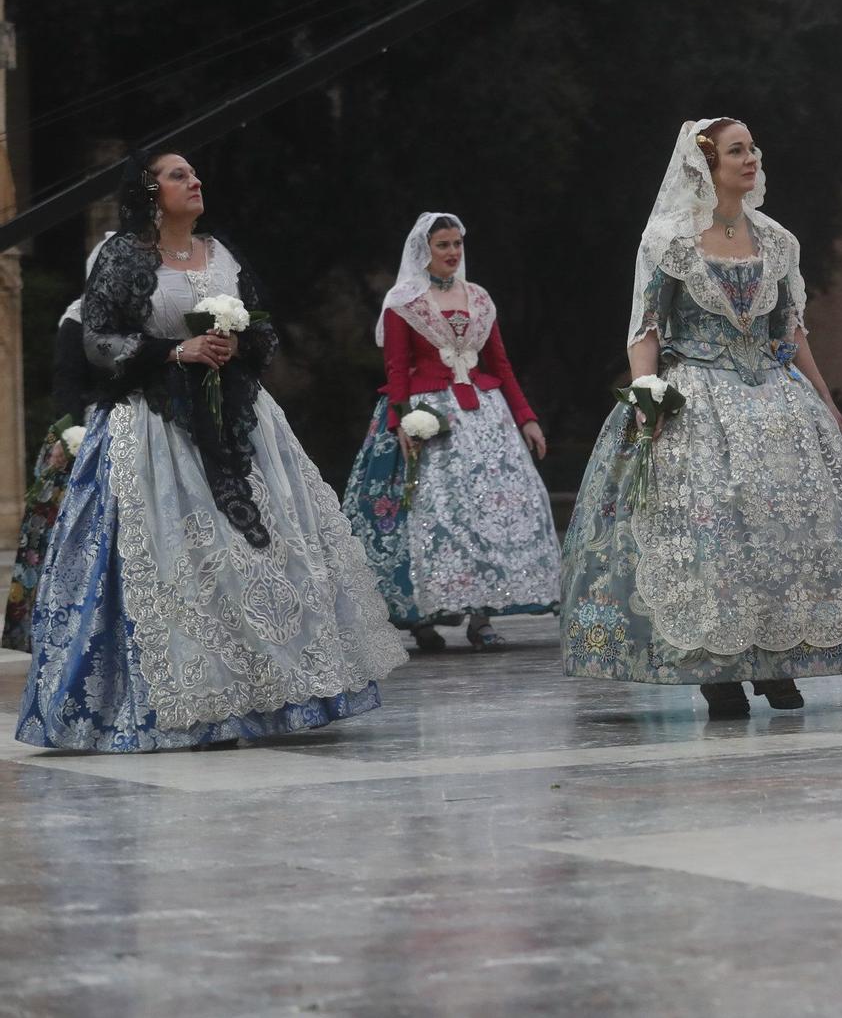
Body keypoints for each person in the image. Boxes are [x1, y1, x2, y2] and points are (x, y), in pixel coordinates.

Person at [15, 153, 406, 751]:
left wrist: (235, 339)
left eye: (195, 173)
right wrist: (177, 350)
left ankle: (269, 695)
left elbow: (264, 327)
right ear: (150, 193)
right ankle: (187, 703)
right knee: (184, 558)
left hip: (241, 423)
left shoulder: (221, 252)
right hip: (156, 426)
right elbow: (98, 339)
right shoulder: (125, 255)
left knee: (263, 555)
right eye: (178, 175)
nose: (195, 181)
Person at [560, 119, 842, 717]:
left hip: (775, 397)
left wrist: (824, 402)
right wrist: (646, 397)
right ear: (706, 165)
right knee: (713, 536)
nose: (751, 158)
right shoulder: (670, 241)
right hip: (697, 399)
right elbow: (647, 330)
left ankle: (775, 660)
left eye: (753, 149)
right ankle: (720, 668)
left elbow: (791, 333)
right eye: (737, 150)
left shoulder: (778, 241)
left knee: (781, 534)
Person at [342, 212, 562, 652]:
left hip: (484, 415)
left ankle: (481, 618)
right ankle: (421, 618)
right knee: (433, 514)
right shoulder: (406, 301)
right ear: (425, 251)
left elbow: (500, 364)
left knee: (487, 512)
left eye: (457, 244)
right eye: (443, 245)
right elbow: (397, 369)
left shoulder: (478, 298)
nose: (452, 252)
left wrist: (526, 417)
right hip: (430, 414)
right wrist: (400, 420)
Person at [6, 233, 112, 652]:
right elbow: (66, 382)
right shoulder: (78, 317)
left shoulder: (147, 318)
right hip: (85, 432)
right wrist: (74, 437)